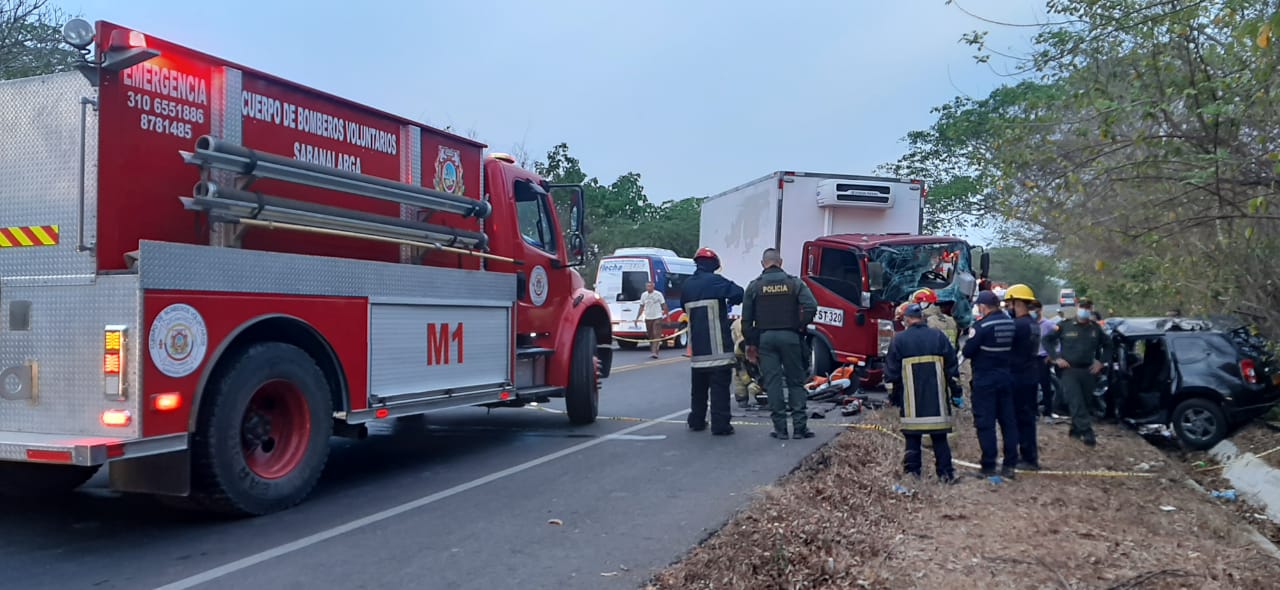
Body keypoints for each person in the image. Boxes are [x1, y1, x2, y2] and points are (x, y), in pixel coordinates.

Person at [741, 248, 818, 440]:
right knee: (795, 381)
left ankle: (781, 429)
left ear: (763, 263)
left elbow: (746, 320)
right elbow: (811, 306)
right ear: (780, 262)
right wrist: (800, 325)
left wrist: (751, 343)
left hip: (765, 339)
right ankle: (800, 428)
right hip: (790, 336)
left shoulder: (754, 286)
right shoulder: (794, 283)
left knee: (773, 383)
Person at [885, 303, 962, 482]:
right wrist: (956, 392)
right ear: (922, 317)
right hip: (937, 404)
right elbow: (952, 368)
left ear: (907, 319)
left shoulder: (899, 340)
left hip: (912, 405)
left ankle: (912, 475)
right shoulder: (938, 336)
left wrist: (894, 398)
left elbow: (891, 374)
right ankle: (946, 475)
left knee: (912, 440)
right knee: (940, 439)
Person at [680, 247, 745, 435]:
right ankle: (720, 424)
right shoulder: (717, 282)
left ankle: (697, 421)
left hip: (698, 351)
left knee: (698, 390)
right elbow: (739, 293)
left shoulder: (687, 286)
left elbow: (685, 308)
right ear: (713, 265)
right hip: (718, 350)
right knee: (719, 390)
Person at [961, 290, 1020, 478]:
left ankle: (988, 465)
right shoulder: (1012, 324)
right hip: (1007, 377)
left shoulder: (981, 326)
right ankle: (1010, 464)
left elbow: (968, 351)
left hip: (985, 380)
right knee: (1008, 422)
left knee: (985, 423)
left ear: (983, 307)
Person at [1042, 304, 1112, 447]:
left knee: (1085, 402)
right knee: (1075, 400)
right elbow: (1047, 340)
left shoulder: (1095, 328)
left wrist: (1101, 362)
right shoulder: (1064, 325)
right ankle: (1087, 432)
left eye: (1088, 308)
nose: (1085, 311)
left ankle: (1075, 430)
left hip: (1088, 370)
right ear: (1077, 307)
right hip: (1069, 370)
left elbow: (1109, 345)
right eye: (1083, 307)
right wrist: (1055, 357)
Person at [1004, 284, 1042, 471]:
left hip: (1018, 376)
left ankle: (1028, 458)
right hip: (1030, 374)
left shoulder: (1017, 326)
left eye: (1009, 303)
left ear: (1017, 303)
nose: (1008, 307)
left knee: (1020, 418)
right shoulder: (1033, 324)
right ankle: (1029, 455)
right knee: (1027, 417)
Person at [1031, 301, 1060, 420]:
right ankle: (1034, 411)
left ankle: (1049, 411)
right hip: (1031, 357)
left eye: (1035, 309)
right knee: (1032, 385)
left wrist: (1052, 355)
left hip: (1043, 358)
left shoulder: (1048, 324)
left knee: (1045, 385)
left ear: (1040, 309)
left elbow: (1058, 341)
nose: (1033, 312)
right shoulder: (1030, 324)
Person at [731, 317, 763, 409]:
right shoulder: (739, 347)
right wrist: (749, 383)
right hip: (736, 328)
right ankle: (742, 398)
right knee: (738, 374)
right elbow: (740, 368)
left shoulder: (763, 345)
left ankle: (761, 393)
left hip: (753, 335)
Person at [635, 281, 668, 359]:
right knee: (650, 335)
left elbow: (664, 305)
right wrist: (637, 318)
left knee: (656, 333)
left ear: (653, 286)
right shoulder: (644, 295)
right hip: (648, 317)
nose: (648, 288)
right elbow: (641, 307)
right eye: (647, 286)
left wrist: (668, 316)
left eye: (650, 286)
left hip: (657, 317)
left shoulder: (658, 294)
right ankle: (654, 350)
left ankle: (654, 352)